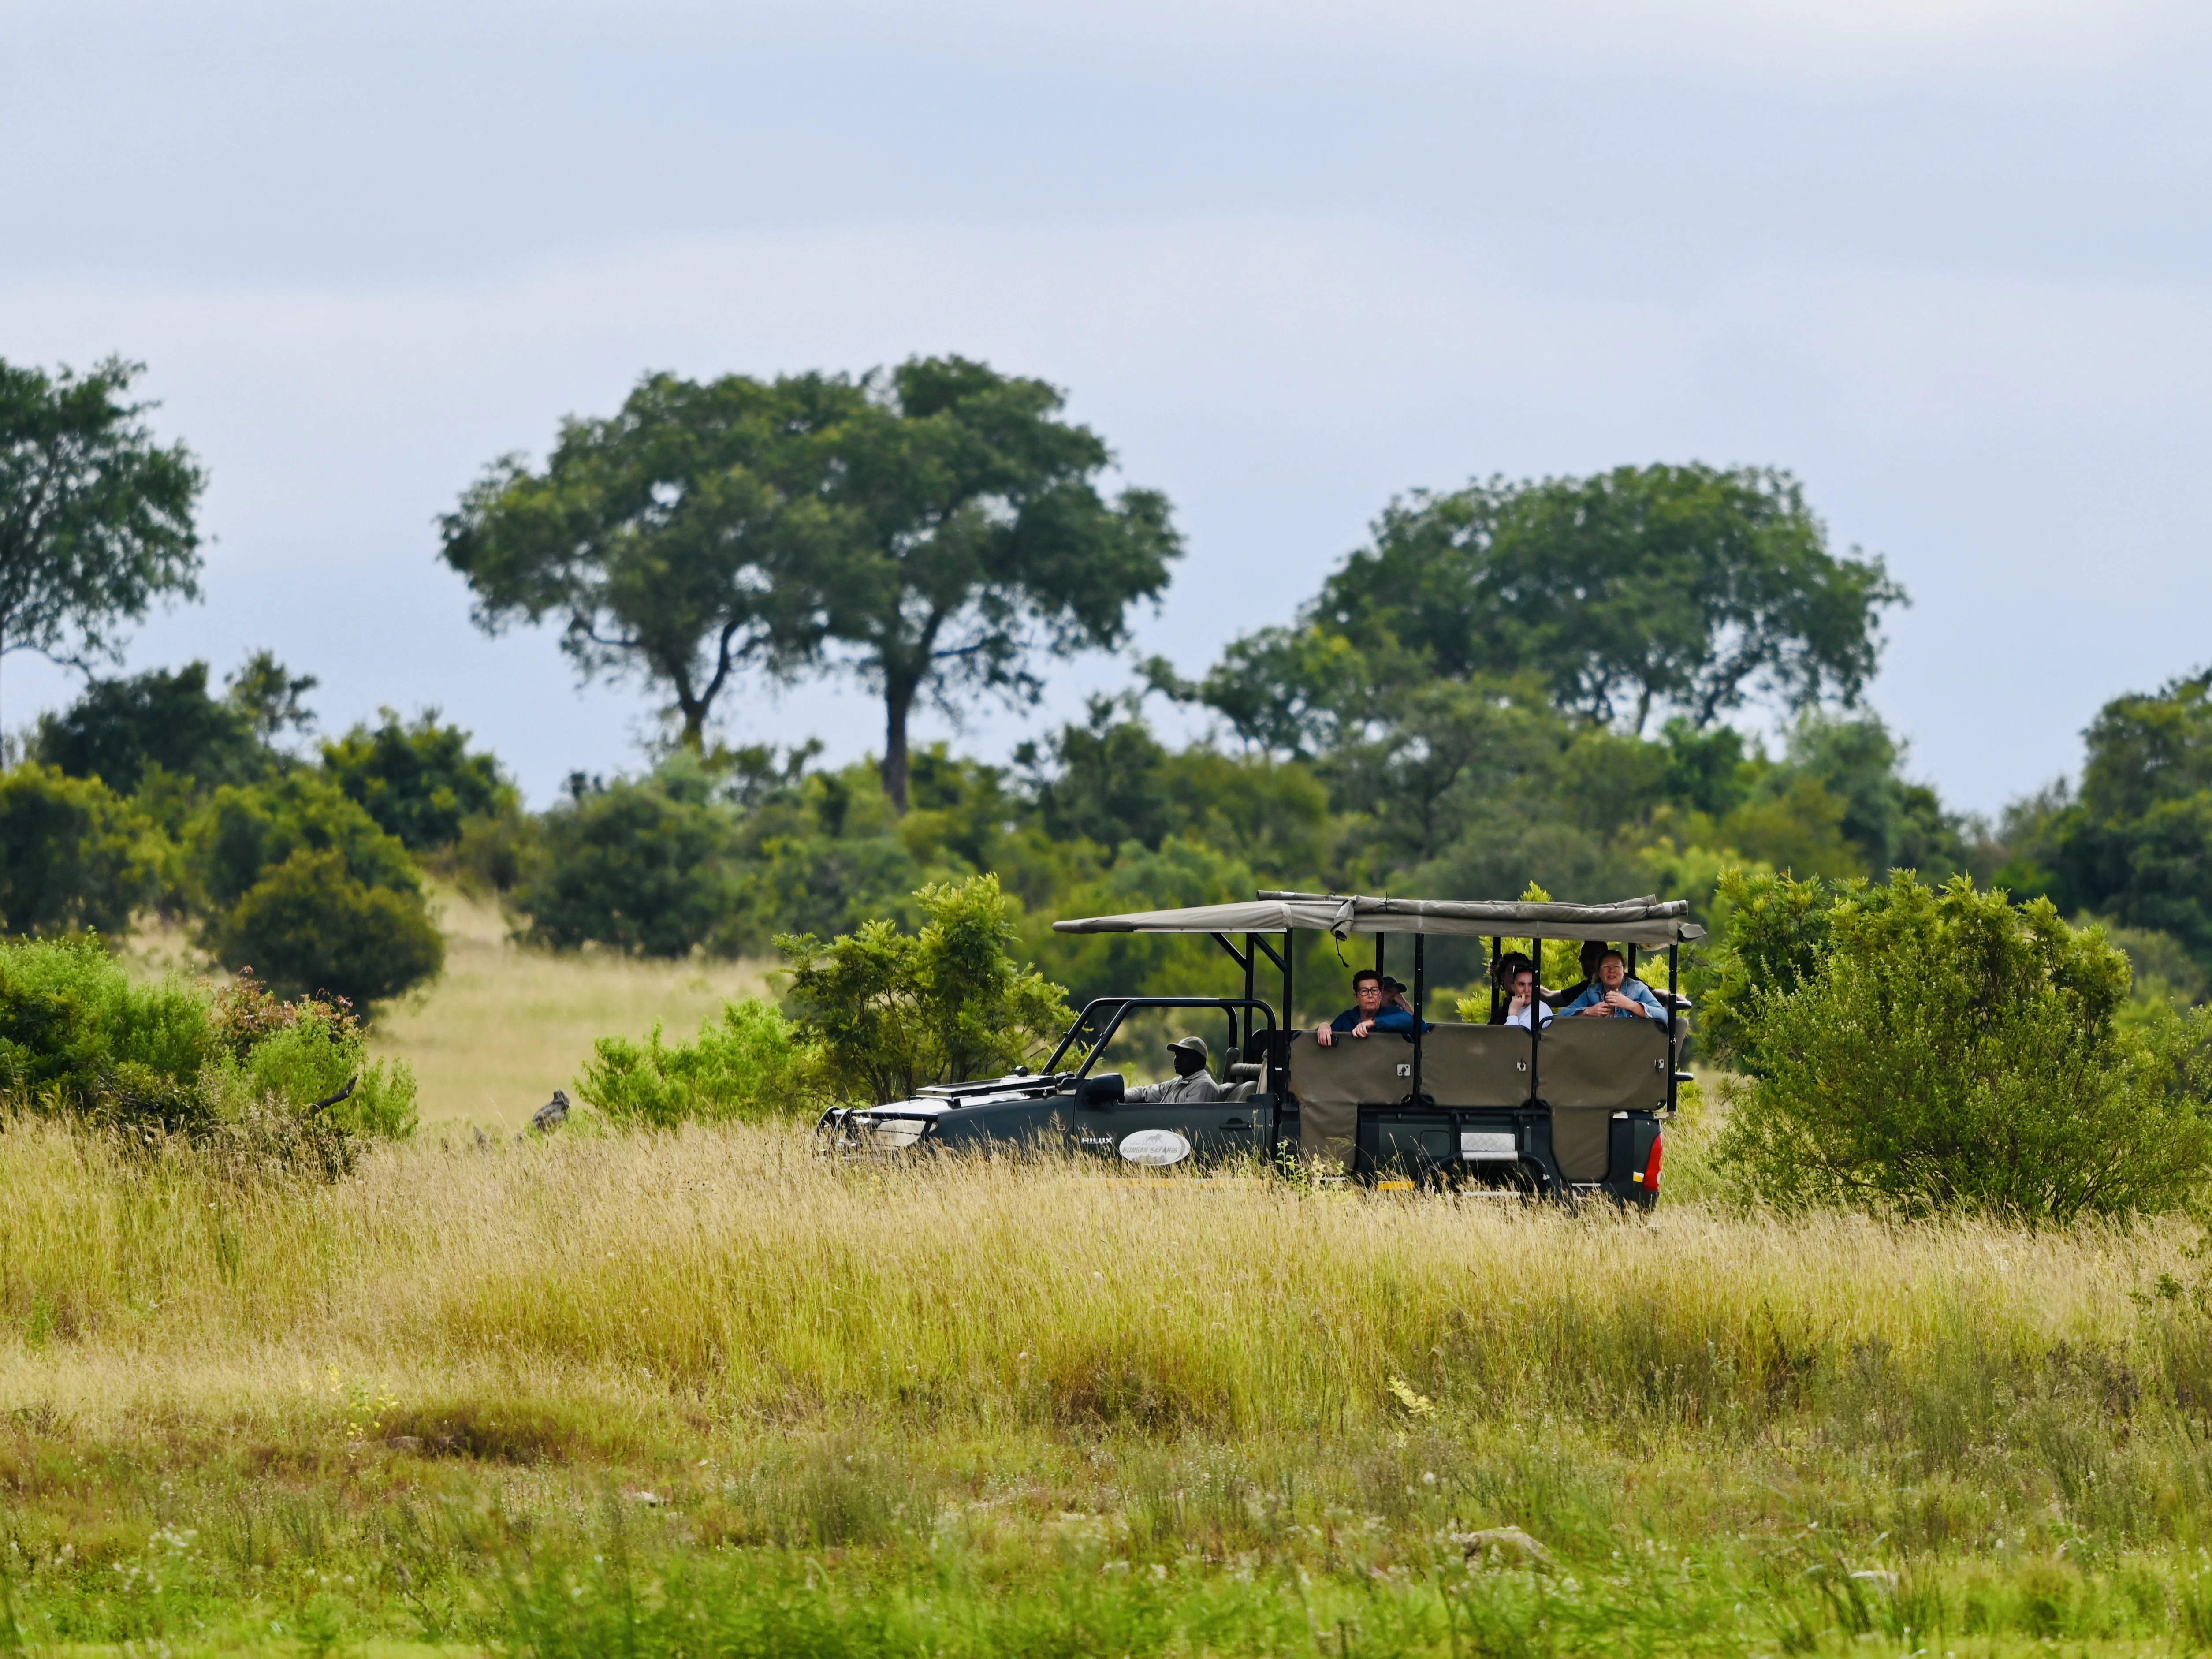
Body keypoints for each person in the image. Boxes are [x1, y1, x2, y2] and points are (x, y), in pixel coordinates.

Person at [1313, 968, 1418, 1047]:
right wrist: (1323, 1026)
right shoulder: (1347, 1018)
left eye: (1374, 991)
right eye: (1364, 991)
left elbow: (1410, 1021)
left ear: (1380, 995)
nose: (1370, 996)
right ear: (1356, 997)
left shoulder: (1392, 1013)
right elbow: (1325, 1036)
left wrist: (1373, 1022)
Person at [1557, 949, 1670, 1022]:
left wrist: (1630, 1005)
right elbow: (1562, 1016)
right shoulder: (1592, 992)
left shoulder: (1638, 989)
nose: (1612, 971)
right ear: (1600, 973)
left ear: (1624, 971)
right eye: (1606, 967)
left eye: (1616, 966)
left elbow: (1663, 1015)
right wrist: (1589, 1012)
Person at [1123, 1035, 1226, 1103]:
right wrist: (1118, 1097)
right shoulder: (1176, 1083)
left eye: (1184, 1055)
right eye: (1177, 1055)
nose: (1177, 1059)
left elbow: (1186, 1120)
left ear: (1200, 1060)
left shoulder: (1204, 1086)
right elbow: (1144, 1093)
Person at [1543, 940, 1611, 1010]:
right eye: (1583, 959)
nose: (1587, 963)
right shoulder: (1585, 988)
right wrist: (1532, 983)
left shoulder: (1621, 985)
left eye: (1593, 958)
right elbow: (1550, 998)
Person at [1486, 952, 1535, 1025]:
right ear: (1503, 976)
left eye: (1521, 972)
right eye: (1511, 973)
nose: (1516, 977)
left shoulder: (1534, 1011)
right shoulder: (1498, 1014)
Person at [1501, 965, 1554, 1029]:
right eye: (1522, 984)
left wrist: (1513, 1013)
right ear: (1513, 987)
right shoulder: (1519, 1009)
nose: (1526, 990)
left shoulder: (1541, 1009)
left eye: (1531, 985)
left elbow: (1517, 1038)